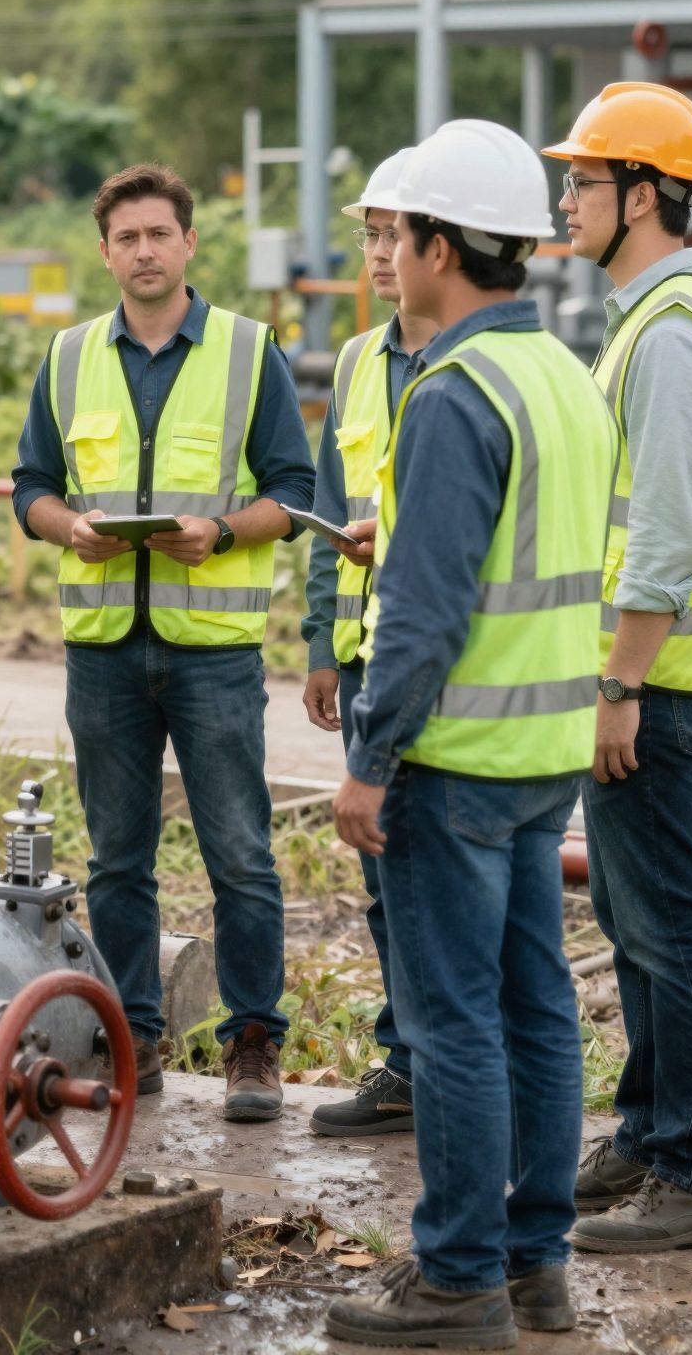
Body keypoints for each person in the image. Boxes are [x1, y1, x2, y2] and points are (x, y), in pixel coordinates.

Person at [325, 121, 616, 1349]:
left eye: (400, 235)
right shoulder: (558, 372)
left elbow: (426, 615)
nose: (388, 254)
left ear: (444, 245)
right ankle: (534, 1262)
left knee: (451, 1022)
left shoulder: (451, 391)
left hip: (454, 762)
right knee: (537, 1008)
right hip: (546, 752)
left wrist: (366, 760)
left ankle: (456, 1278)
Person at [12, 162, 315, 1122]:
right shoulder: (66, 358)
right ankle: (132, 1035)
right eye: (126, 238)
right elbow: (29, 489)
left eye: (159, 234)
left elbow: (294, 491)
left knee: (242, 855)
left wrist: (220, 532)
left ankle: (253, 1043)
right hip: (104, 647)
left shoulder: (246, 350)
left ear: (189, 243)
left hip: (212, 650)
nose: (144, 251)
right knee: (115, 859)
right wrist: (71, 529)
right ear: (106, 253)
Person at [543, 82, 692, 1255]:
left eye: (585, 177)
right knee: (634, 912)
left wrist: (621, 680)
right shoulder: (646, 316)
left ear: (647, 193)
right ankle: (649, 1128)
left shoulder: (670, 335)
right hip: (644, 677)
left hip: (656, 683)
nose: (567, 196)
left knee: (672, 920)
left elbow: (666, 531)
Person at [301, 150, 436, 1139]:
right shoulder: (355, 361)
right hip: (361, 655)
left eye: (396, 234)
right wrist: (317, 641)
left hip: (443, 657)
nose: (382, 254)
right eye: (372, 236)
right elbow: (327, 506)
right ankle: (406, 1058)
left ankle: (451, 1060)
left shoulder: (469, 357)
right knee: (383, 874)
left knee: (442, 872)